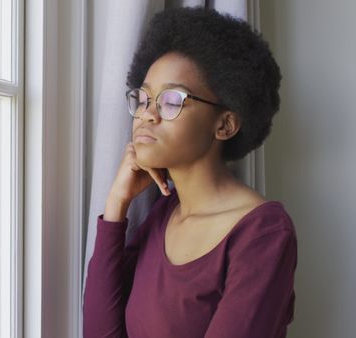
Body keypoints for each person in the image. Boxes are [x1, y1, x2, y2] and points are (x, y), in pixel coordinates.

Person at [83, 6, 297, 338]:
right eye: (143, 99)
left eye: (171, 101)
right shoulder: (162, 216)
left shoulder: (263, 233)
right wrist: (116, 206)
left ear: (225, 124)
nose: (146, 115)